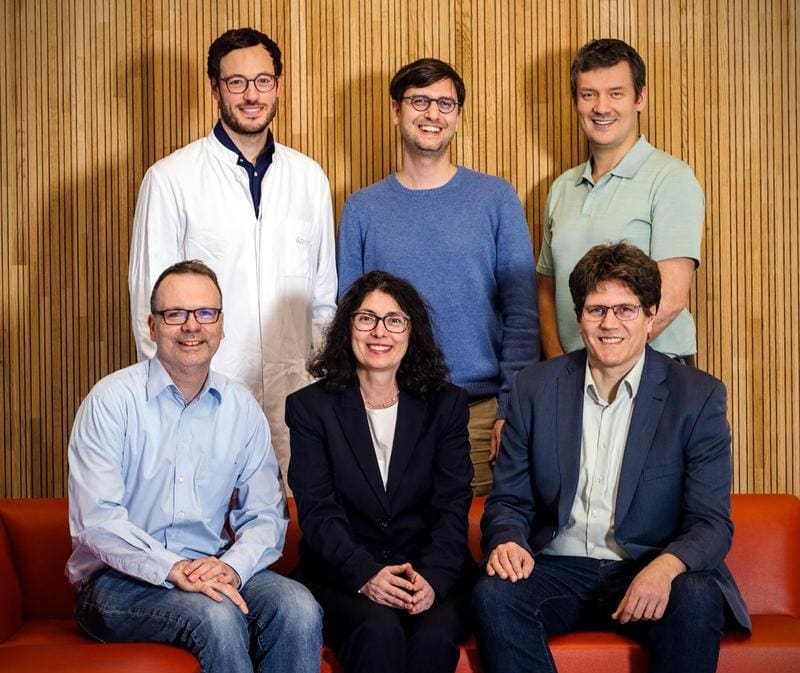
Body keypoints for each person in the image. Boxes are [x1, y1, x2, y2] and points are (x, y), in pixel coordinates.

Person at [472, 243, 750, 673]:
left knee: (697, 597)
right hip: (557, 566)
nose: (610, 324)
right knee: (494, 594)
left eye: (625, 309)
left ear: (651, 314)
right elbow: (508, 501)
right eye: (596, 309)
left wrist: (666, 568)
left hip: (647, 564)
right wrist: (507, 540)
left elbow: (711, 522)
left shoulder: (697, 397)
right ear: (579, 317)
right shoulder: (534, 388)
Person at [68, 260, 322, 673]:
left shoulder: (241, 409)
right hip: (116, 582)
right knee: (217, 615)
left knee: (297, 607)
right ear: (151, 325)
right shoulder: (110, 401)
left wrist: (233, 570)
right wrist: (175, 568)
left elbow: (265, 515)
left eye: (205, 313)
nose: (192, 326)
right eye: (175, 314)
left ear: (221, 325)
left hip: (211, 568)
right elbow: (98, 521)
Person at [128, 27, 337, 481]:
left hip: (294, 402)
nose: (251, 94)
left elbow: (323, 303)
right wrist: (174, 408)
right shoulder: (171, 179)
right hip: (202, 400)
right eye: (236, 82)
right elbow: (151, 311)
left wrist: (322, 397)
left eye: (263, 80)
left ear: (278, 85)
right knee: (206, 533)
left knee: (293, 532)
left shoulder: (309, 179)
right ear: (215, 88)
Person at [336, 58, 539, 496]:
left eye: (445, 103)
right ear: (396, 110)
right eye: (420, 101)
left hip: (478, 415)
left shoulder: (496, 198)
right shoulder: (361, 209)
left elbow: (521, 314)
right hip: (386, 411)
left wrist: (511, 407)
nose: (432, 114)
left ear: (459, 114)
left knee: (476, 546)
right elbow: (348, 319)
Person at [285, 270, 474, 673]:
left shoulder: (446, 405)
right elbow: (318, 512)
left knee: (433, 636)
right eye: (366, 318)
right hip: (344, 573)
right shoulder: (310, 409)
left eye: (394, 320)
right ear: (346, 328)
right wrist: (366, 574)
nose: (379, 332)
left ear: (412, 332)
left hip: (427, 570)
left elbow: (452, 505)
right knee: (378, 631)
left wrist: (434, 580)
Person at [537, 38, 704, 366]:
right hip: (577, 372)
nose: (601, 107)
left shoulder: (671, 179)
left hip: (655, 366)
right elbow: (546, 289)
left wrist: (608, 359)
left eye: (616, 93)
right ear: (576, 102)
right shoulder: (561, 188)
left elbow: (670, 297)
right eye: (589, 95)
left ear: (639, 97)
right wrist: (560, 365)